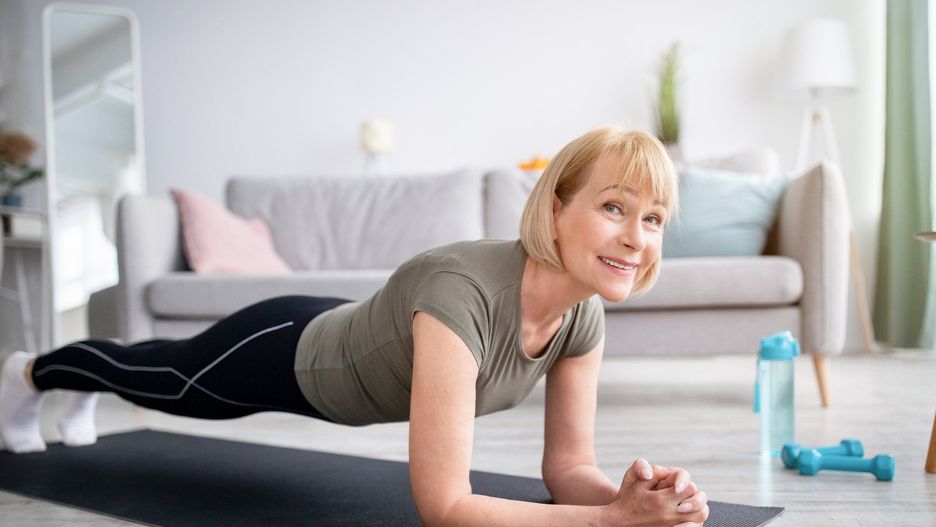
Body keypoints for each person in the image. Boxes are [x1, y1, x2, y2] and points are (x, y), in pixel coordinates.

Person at [0, 126, 709, 526]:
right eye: (614, 207)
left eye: (652, 219)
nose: (636, 237)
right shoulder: (462, 291)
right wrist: (611, 522)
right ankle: (33, 372)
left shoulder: (581, 314)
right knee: (154, 376)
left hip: (332, 328)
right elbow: (445, 505)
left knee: (152, 365)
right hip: (286, 354)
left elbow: (566, 469)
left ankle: (71, 380)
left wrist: (637, 502)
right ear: (555, 209)